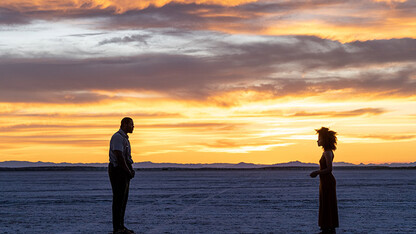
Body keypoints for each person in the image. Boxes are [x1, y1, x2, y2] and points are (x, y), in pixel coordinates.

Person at [109, 117, 136, 234]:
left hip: (123, 171)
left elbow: (126, 157)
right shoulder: (117, 137)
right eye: (131, 124)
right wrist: (127, 171)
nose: (133, 127)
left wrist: (130, 169)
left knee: (123, 200)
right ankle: (117, 228)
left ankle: (121, 226)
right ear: (124, 124)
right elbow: (119, 156)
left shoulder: (124, 138)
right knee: (118, 199)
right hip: (117, 171)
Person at [310, 127, 339, 234]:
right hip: (325, 181)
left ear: (325, 140)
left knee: (327, 203)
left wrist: (316, 172)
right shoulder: (326, 152)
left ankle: (329, 227)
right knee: (325, 202)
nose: (318, 141)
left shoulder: (327, 152)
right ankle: (326, 227)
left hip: (327, 181)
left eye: (319, 138)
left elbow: (329, 169)